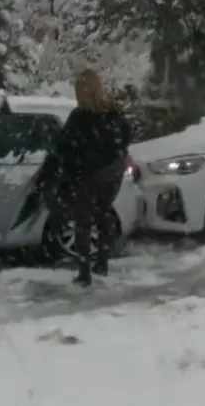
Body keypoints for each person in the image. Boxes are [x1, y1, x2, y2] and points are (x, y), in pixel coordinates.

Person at [35, 68, 131, 287]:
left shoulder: (80, 117)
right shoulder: (113, 113)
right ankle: (103, 263)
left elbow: (66, 147)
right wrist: (115, 159)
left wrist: (66, 170)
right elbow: (124, 136)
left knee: (83, 223)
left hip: (87, 177)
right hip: (110, 176)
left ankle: (85, 272)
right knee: (104, 216)